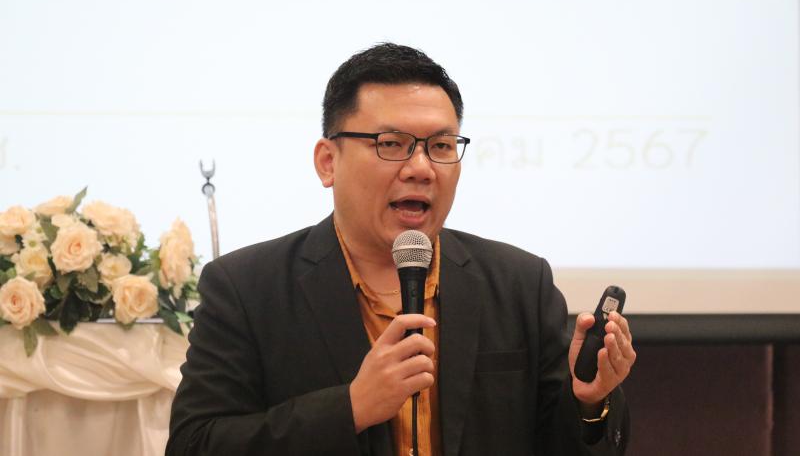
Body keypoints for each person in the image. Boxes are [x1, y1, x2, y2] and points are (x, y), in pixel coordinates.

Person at [166, 43, 636, 456]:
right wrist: (350, 407)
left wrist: (588, 401)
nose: (421, 168)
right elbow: (195, 444)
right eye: (391, 144)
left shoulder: (519, 284)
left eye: (441, 145)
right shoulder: (247, 289)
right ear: (328, 162)